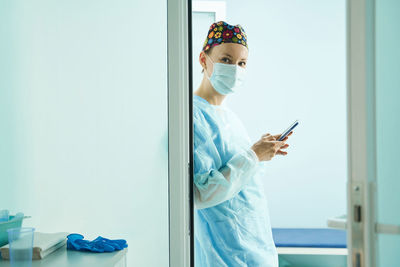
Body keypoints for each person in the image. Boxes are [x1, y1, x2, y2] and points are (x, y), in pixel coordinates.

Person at [193, 21, 292, 267]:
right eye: (226, 60)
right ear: (204, 60)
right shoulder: (193, 115)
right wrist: (254, 155)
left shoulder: (229, 117)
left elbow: (243, 180)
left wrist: (262, 150)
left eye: (241, 63)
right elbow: (201, 192)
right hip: (225, 252)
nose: (235, 69)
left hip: (256, 246)